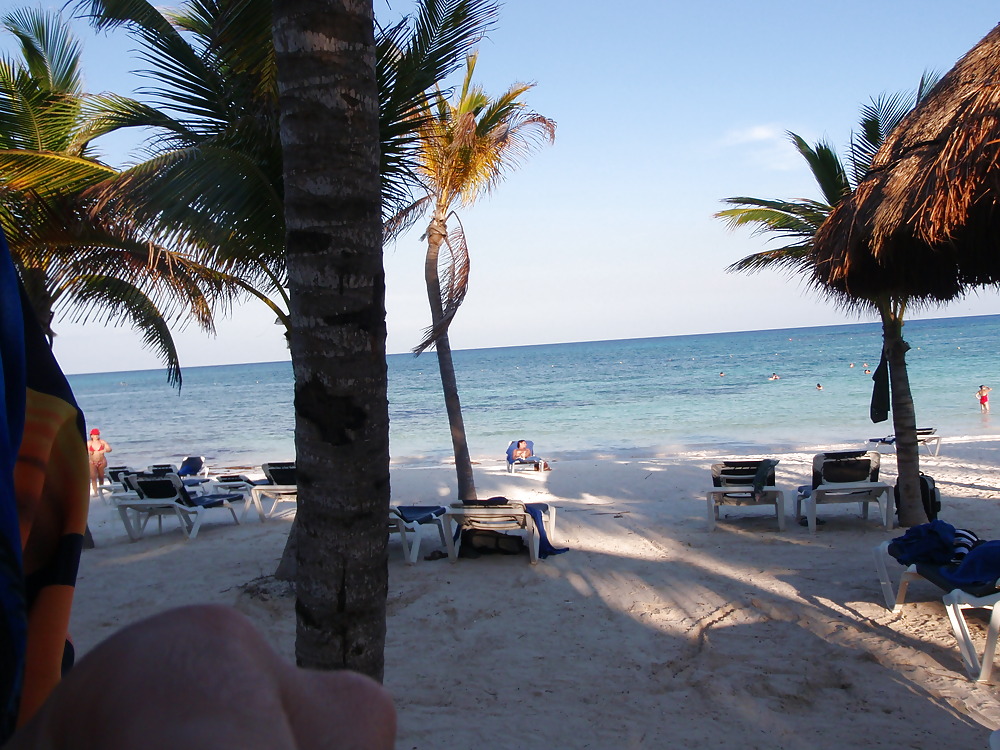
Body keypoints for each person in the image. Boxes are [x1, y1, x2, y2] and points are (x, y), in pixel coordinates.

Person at [87, 428, 112, 495]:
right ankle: (95, 492)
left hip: (102, 461)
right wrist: (89, 451)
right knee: (93, 477)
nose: (96, 436)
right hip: (92, 462)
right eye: (94, 435)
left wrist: (105, 450)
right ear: (91, 436)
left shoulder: (102, 442)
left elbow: (109, 449)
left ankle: (101, 490)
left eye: (97, 435)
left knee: (101, 477)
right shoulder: (89, 443)